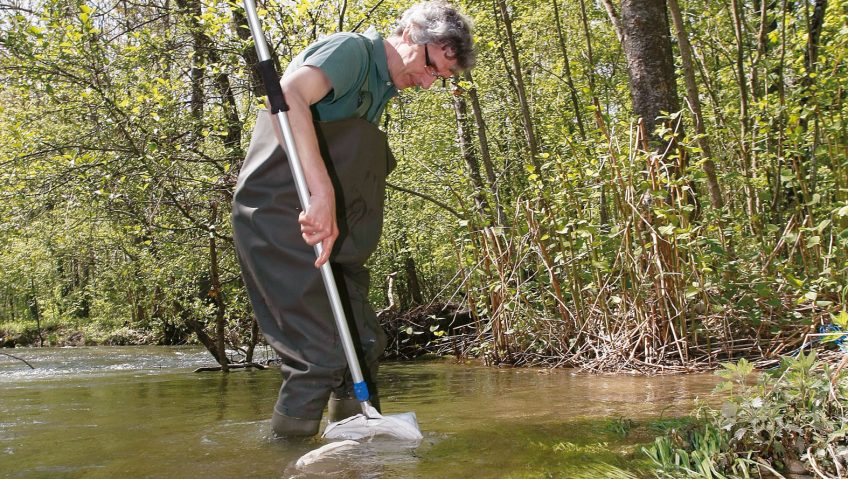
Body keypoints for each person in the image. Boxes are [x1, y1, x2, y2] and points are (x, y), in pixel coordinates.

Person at [231, 1, 475, 438]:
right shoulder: (350, 52)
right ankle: (286, 461)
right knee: (319, 354)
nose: (426, 81)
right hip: (276, 214)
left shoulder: (382, 88)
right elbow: (286, 98)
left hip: (331, 230)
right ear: (410, 34)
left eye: (439, 77)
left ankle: (358, 449)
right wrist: (322, 192)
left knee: (361, 345)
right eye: (429, 66)